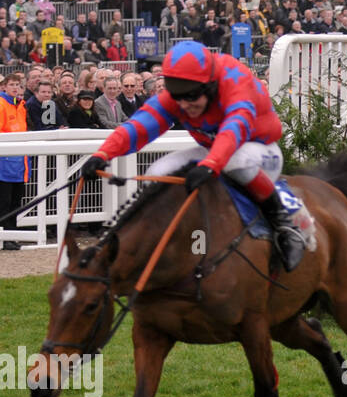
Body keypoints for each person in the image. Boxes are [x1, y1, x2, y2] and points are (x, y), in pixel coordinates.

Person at [80, 41, 307, 271]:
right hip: (216, 150)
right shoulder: (182, 94)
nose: (185, 106)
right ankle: (166, 241)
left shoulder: (235, 82)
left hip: (259, 149)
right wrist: (103, 153)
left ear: (209, 87)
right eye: (178, 98)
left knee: (234, 161)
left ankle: (285, 226)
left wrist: (211, 163)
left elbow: (235, 127)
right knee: (156, 172)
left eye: (191, 97)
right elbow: (140, 125)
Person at [0, 72, 28, 249]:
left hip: (19, 163)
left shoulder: (21, 106)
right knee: (4, 202)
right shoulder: (2, 105)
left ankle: (12, 236)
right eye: (11, 85)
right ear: (4, 87)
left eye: (17, 85)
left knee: (16, 202)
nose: (15, 88)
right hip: (4, 163)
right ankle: (5, 236)